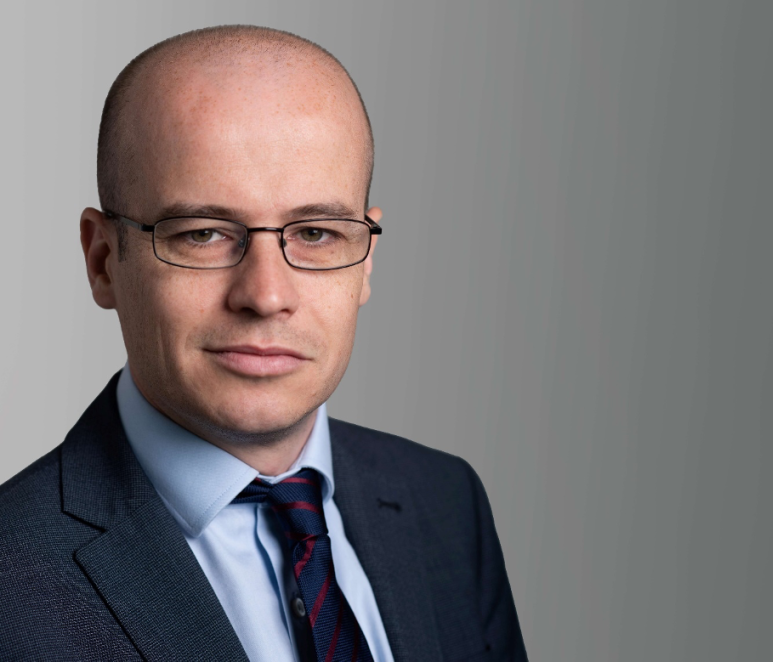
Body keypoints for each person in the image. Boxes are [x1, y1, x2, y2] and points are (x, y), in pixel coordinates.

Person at [0, 25, 526, 662]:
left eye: (316, 233)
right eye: (202, 234)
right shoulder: (13, 573)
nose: (266, 294)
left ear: (366, 262)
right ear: (104, 260)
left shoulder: (444, 502)